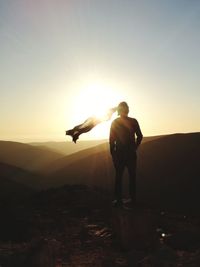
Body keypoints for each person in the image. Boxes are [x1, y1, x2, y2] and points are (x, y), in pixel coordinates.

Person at [109, 102, 143, 207]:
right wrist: (134, 148)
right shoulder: (133, 121)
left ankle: (119, 200)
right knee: (132, 177)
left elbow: (111, 141)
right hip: (131, 154)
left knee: (119, 177)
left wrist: (113, 154)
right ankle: (133, 200)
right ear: (127, 109)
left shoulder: (115, 122)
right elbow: (140, 136)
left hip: (119, 154)